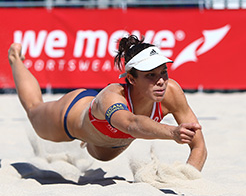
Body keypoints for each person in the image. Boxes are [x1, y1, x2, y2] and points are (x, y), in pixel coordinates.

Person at [8, 35, 207, 171]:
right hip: (71, 117)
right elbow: (132, 124)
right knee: (34, 110)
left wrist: (188, 177)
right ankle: (16, 59)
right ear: (131, 79)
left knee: (102, 150)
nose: (161, 80)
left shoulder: (171, 92)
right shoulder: (112, 96)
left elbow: (199, 147)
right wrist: (172, 132)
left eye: (164, 72)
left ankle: (90, 139)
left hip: (104, 145)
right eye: (151, 75)